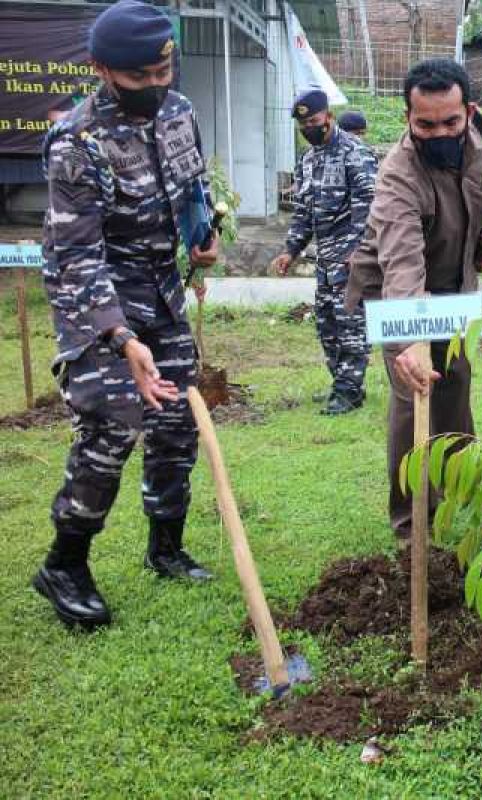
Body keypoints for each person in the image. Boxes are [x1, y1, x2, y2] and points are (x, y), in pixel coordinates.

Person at [34, 0, 220, 629]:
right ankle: (66, 562)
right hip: (96, 298)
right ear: (102, 69)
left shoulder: (179, 111)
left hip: (160, 288)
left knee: (176, 419)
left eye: (162, 71)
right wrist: (119, 338)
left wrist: (203, 230)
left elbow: (193, 184)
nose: (155, 86)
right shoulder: (76, 143)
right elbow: (76, 254)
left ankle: (165, 547)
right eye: (139, 78)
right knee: (113, 422)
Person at [346, 58, 482, 544]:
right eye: (425, 124)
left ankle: (459, 498)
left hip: (453, 285)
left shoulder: (478, 142)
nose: (439, 134)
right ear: (408, 119)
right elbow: (401, 260)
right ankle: (412, 524)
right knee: (415, 395)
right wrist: (410, 340)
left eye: (450, 122)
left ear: (468, 113)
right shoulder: (397, 176)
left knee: (456, 383)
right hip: (397, 293)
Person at [272, 89, 377, 415]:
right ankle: (341, 383)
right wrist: (291, 249)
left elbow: (370, 207)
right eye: (304, 125)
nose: (310, 129)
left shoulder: (354, 153)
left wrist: (360, 250)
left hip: (350, 256)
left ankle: (349, 390)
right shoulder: (309, 159)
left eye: (314, 122)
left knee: (351, 324)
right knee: (327, 324)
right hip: (325, 258)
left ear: (329, 117)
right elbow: (304, 212)